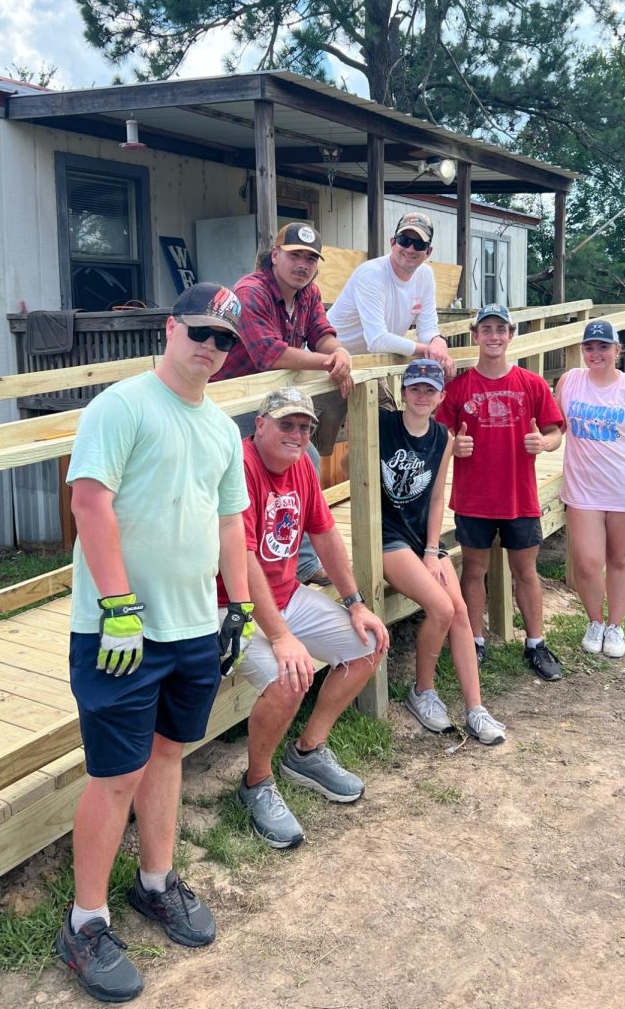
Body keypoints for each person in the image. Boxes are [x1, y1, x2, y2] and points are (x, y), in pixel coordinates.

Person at [56, 282, 253, 1004]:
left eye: (224, 339)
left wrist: (236, 608)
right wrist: (116, 606)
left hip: (194, 625)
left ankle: (155, 881)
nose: (210, 346)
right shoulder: (124, 405)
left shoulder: (223, 429)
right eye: (200, 330)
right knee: (115, 774)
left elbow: (231, 521)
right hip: (119, 632)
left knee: (169, 753)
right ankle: (85, 922)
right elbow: (89, 503)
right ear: (170, 329)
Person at [222, 387, 390, 850]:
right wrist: (280, 636)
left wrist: (356, 601)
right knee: (289, 677)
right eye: (286, 424)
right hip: (231, 605)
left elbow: (326, 533)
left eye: (304, 427)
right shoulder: (241, 464)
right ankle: (257, 783)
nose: (296, 435)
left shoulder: (301, 465)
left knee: (371, 642)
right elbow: (244, 557)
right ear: (259, 424)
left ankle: (307, 751)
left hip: (286, 592)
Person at [213, 221, 352, 585]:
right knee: (240, 484)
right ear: (275, 256)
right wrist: (328, 362)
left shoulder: (309, 293)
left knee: (301, 463)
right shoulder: (250, 290)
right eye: (294, 256)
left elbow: (322, 334)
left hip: (273, 402)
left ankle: (300, 563)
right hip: (233, 403)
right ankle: (231, 570)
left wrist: (339, 353)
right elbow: (268, 354)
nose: (302, 265)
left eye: (310, 258)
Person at [379, 359, 506, 745]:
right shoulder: (382, 426)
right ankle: (423, 690)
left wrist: (433, 551)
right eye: (414, 388)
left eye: (429, 390)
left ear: (441, 397)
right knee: (442, 608)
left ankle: (475, 708)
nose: (421, 396)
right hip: (388, 537)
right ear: (403, 393)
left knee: (462, 612)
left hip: (422, 540)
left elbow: (436, 498)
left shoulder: (443, 438)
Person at [436, 304, 565, 680]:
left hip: (518, 496)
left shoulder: (532, 383)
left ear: (511, 336)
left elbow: (557, 431)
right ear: (475, 336)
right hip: (473, 496)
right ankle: (474, 641)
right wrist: (452, 446)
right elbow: (440, 433)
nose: (494, 336)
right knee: (474, 569)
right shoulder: (459, 387)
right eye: (486, 329)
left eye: (501, 330)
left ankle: (536, 643)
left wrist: (544, 442)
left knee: (525, 571)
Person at [554, 319, 625, 658]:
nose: (596, 353)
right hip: (583, 489)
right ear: (582, 350)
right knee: (586, 562)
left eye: (603, 347)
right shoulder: (570, 382)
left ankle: (615, 625)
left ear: (618, 350)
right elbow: (554, 425)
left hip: (623, 490)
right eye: (589, 347)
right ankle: (595, 620)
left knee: (620, 558)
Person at [327, 211, 455, 379]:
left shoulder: (425, 275)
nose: (410, 249)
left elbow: (427, 328)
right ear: (392, 242)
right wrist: (428, 350)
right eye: (404, 241)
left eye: (418, 244)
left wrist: (438, 341)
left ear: (428, 251)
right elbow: (377, 340)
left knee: (390, 406)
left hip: (369, 366)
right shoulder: (371, 273)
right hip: (328, 365)